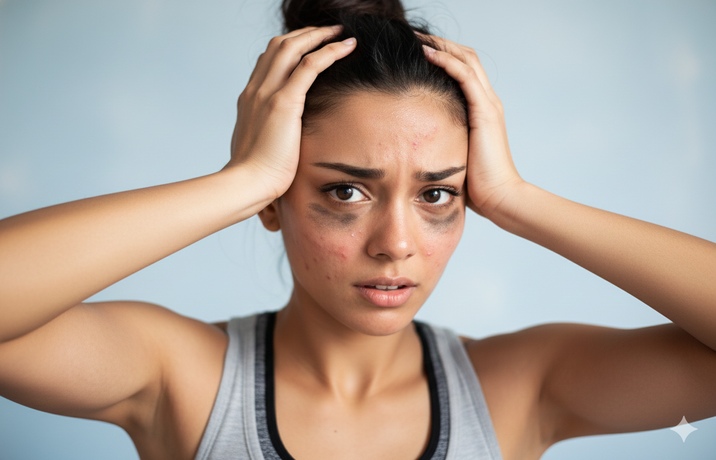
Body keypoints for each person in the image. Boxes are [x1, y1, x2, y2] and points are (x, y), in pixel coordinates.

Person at [1, 0, 715, 459]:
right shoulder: (180, 377)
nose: (396, 244)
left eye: (438, 194)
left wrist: (516, 198)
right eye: (346, 190)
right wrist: (238, 183)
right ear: (278, 196)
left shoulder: (518, 388)